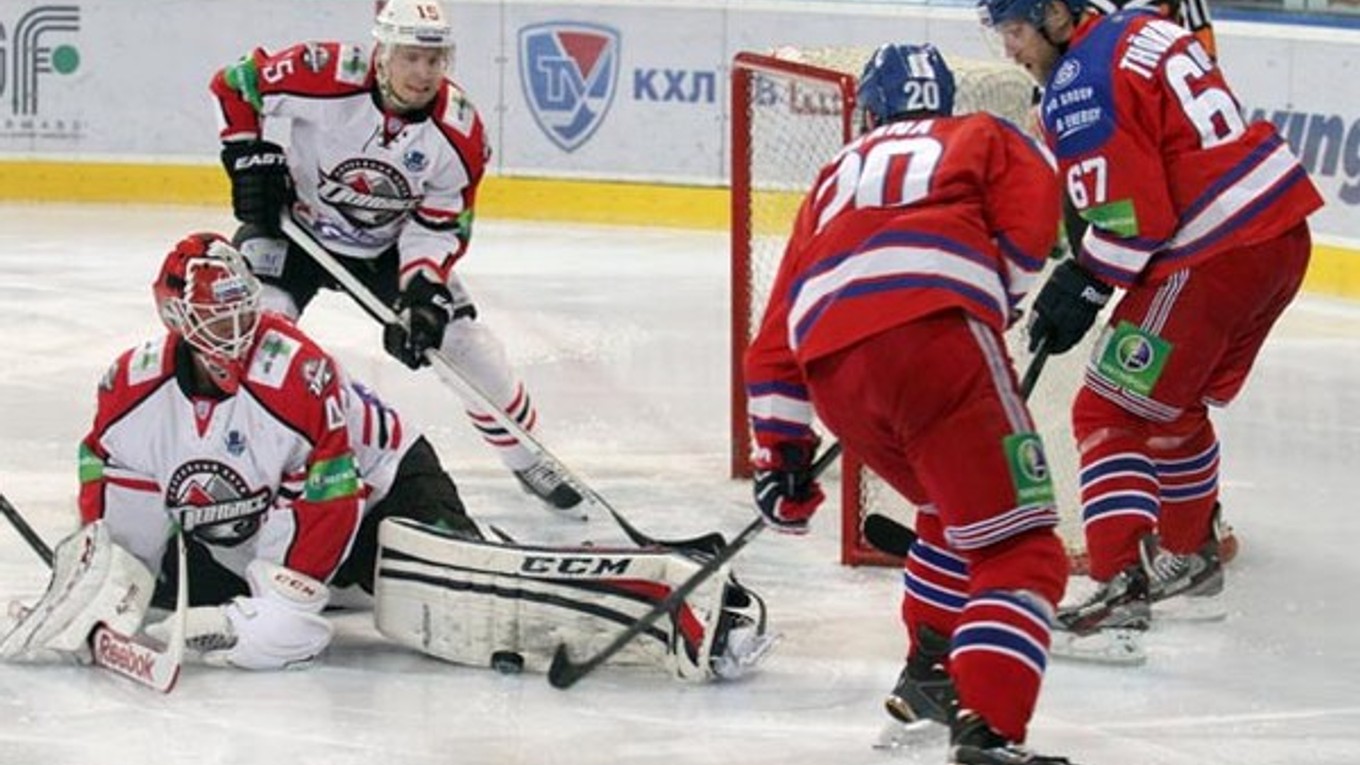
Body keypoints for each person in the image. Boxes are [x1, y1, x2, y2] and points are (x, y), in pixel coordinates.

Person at [0, 233, 774, 681]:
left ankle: (675, 591)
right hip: (250, 531)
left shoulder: (295, 376)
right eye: (212, 318)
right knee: (161, 596)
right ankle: (335, 588)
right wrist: (99, 588)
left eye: (242, 311)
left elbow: (331, 496)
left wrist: (283, 603)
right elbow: (122, 525)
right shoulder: (130, 393)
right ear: (173, 316)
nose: (234, 333)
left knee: (458, 596)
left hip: (380, 495)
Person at [744, 43, 1072, 765]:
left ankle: (929, 672)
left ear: (869, 109)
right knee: (1021, 545)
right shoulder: (982, 133)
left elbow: (772, 343)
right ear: (945, 98)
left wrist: (785, 462)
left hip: (834, 371)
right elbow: (1033, 208)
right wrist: (1002, 300)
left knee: (953, 509)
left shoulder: (833, 177)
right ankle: (987, 728)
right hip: (938, 339)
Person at [979, 0, 1323, 660]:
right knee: (1171, 404)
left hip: (1214, 253)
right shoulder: (1141, 23)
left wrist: (1082, 282)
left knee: (1106, 409)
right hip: (1279, 235)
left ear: (1054, 14)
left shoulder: (1079, 82)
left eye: (1016, 31)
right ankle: (1189, 555)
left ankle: (1118, 590)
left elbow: (1139, 220)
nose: (1010, 51)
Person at [207, 0, 582, 512]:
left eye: (435, 60)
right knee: (260, 336)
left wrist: (422, 289)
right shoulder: (325, 74)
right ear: (382, 53)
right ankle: (238, 461)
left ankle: (529, 456)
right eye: (410, 58)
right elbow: (235, 84)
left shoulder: (460, 133)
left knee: (469, 347)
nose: (423, 73)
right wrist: (248, 154)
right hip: (293, 232)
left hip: (387, 247)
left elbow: (439, 223)